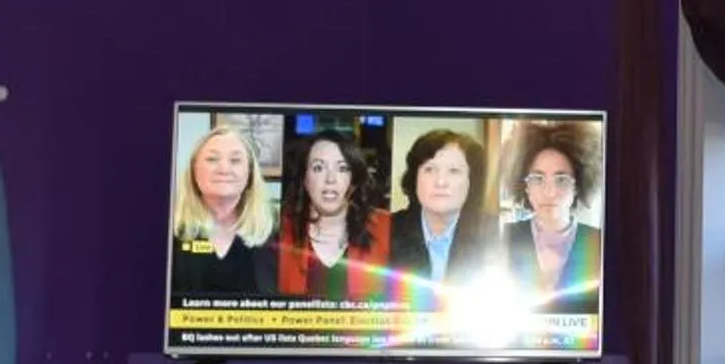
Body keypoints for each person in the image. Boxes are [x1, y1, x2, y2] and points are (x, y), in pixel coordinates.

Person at [270, 126, 392, 302]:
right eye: (319, 168)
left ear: (354, 180)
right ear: (304, 179)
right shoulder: (276, 231)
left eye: (342, 169)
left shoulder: (386, 227)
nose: (330, 179)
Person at [501, 120, 604, 314]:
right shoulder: (502, 238)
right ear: (525, 186)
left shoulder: (599, 242)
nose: (549, 192)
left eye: (562, 180)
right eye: (537, 179)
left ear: (577, 186)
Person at [169, 122, 273, 300]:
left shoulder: (275, 232)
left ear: (250, 175)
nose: (224, 169)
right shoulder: (171, 228)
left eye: (235, 160)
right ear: (193, 171)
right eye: (212, 159)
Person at [391, 127, 497, 296]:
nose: (440, 182)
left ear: (472, 181)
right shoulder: (387, 230)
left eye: (454, 171)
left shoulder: (497, 233)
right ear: (414, 178)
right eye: (430, 169)